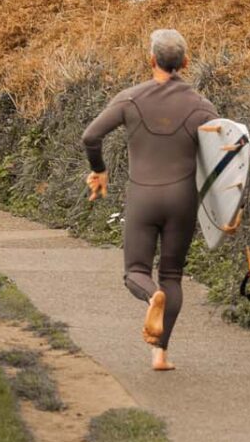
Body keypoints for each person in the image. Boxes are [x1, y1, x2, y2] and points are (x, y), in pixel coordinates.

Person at [81, 29, 217, 371]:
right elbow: (229, 154)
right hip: (182, 200)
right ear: (186, 63)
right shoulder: (202, 106)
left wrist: (99, 171)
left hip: (143, 196)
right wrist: (232, 204)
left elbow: (91, 136)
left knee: (136, 272)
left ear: (151, 60)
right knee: (172, 274)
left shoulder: (130, 99)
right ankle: (160, 354)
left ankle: (150, 295)